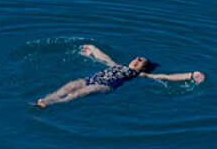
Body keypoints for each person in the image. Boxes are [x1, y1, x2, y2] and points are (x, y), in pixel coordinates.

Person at [35, 44, 205, 108]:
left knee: (82, 92)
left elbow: (167, 77)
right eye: (137, 57)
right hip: (91, 78)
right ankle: (46, 100)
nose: (137, 58)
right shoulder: (117, 65)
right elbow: (104, 58)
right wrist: (92, 50)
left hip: (106, 86)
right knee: (70, 85)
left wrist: (191, 75)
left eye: (141, 60)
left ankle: (56, 104)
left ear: (143, 68)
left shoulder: (139, 75)